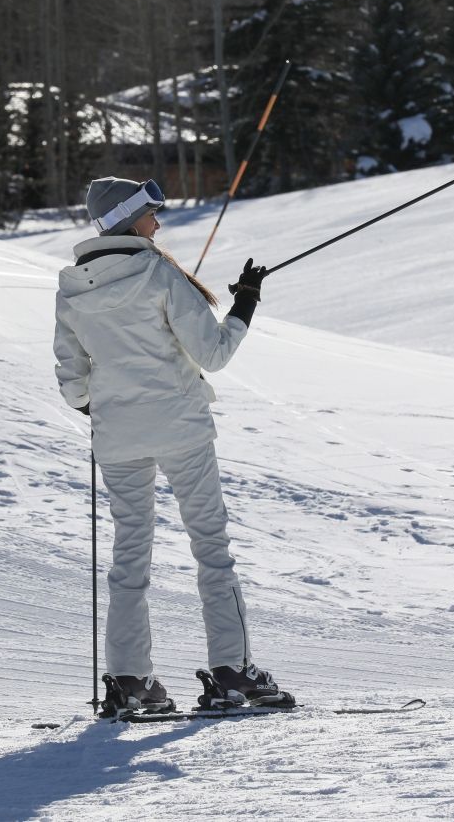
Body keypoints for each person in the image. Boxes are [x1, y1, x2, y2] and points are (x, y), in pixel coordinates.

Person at [53, 176, 285, 712]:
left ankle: (131, 680)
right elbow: (214, 353)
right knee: (211, 547)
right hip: (181, 427)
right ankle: (233, 670)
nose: (158, 224)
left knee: (129, 556)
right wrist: (246, 303)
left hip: (117, 437)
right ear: (132, 220)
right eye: (152, 214)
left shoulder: (72, 287)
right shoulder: (159, 273)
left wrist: (105, 407)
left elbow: (72, 380)